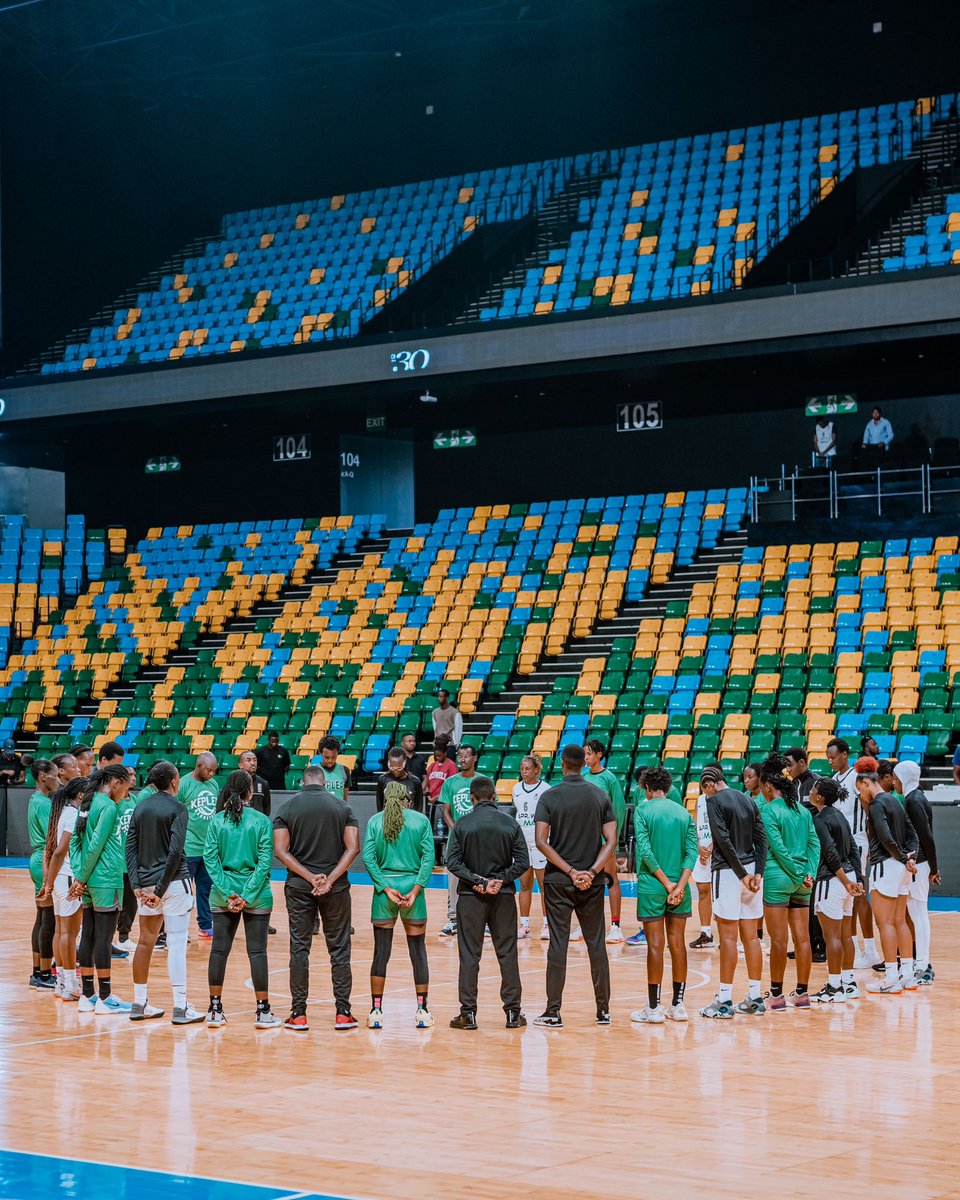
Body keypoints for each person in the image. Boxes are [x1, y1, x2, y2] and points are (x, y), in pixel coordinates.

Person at [533, 743, 617, 1029]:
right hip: (591, 883)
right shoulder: (600, 794)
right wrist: (591, 871)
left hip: (558, 880)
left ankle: (553, 1012)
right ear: (583, 763)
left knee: (558, 943)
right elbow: (612, 840)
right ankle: (603, 1011)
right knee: (596, 944)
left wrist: (569, 871)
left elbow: (541, 841)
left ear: (562, 764)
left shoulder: (549, 796)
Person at [273, 764, 360, 1032]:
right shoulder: (342, 808)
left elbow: (280, 851)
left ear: (302, 782)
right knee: (340, 948)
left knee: (299, 948)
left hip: (300, 887)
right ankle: (343, 1013)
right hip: (336, 888)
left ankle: (298, 1014)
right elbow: (353, 848)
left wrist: (310, 878)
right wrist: (329, 879)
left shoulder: (287, 808)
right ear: (324, 783)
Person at [446, 775, 529, 1029]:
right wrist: (499, 879)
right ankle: (513, 1014)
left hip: (471, 898)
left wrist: (479, 881)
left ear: (472, 798)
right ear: (494, 796)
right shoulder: (510, 823)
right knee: (507, 953)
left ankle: (468, 1014)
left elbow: (453, 863)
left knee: (470, 956)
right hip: (503, 897)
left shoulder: (462, 824)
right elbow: (523, 863)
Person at [126, 760, 203, 1024]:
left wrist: (137, 885)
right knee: (177, 944)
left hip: (145, 885)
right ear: (173, 782)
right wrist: (160, 890)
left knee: (145, 941)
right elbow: (175, 852)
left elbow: (130, 849)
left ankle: (138, 1003)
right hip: (173, 884)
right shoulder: (178, 808)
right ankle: (181, 1007)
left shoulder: (140, 806)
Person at [201, 770, 279, 1028]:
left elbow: (211, 861)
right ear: (250, 792)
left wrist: (228, 893)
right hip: (256, 895)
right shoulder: (261, 821)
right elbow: (265, 863)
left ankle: (214, 1009)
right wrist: (245, 895)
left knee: (219, 951)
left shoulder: (216, 821)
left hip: (223, 895)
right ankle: (263, 1011)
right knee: (257, 952)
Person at [361, 777, 435, 1030]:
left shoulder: (374, 821)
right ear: (408, 799)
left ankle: (376, 1010)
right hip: (413, 886)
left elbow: (368, 859)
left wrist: (385, 887)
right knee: (418, 952)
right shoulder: (421, 821)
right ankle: (422, 1010)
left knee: (381, 952)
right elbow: (428, 859)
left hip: (385, 892)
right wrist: (415, 890)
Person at [697, 766, 767, 1019]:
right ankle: (755, 998)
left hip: (729, 872)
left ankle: (724, 1001)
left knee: (728, 937)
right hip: (752, 874)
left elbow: (723, 840)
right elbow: (762, 838)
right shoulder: (748, 799)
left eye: (705, 790)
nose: (706, 795)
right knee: (751, 938)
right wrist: (757, 873)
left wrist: (741, 874)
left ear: (710, 784)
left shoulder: (713, 800)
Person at [629, 767, 697, 1024]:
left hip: (653, 886)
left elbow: (645, 851)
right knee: (677, 944)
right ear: (668, 789)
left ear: (646, 788)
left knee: (655, 947)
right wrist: (679, 885)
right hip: (681, 887)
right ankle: (678, 1006)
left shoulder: (644, 810)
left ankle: (654, 1009)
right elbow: (692, 852)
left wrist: (667, 884)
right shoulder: (683, 812)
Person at [67, 765, 134, 1013]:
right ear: (115, 782)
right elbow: (96, 845)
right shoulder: (107, 806)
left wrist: (79, 876)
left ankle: (88, 996)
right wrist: (82, 877)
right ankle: (105, 998)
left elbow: (75, 841)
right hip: (105, 879)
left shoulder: (88, 801)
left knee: (89, 936)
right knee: (104, 940)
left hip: (88, 880)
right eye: (126, 786)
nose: (126, 792)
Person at [757, 755, 820, 1010]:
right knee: (802, 938)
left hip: (778, 877)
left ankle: (776, 995)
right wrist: (809, 874)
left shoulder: (768, 810)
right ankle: (803, 994)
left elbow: (777, 847)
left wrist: (794, 873)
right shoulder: (804, 811)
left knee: (779, 941)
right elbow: (814, 845)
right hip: (803, 880)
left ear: (769, 788)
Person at [856, 762, 919, 994]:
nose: (860, 795)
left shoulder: (876, 805)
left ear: (865, 783)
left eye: (860, 790)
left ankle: (891, 976)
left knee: (885, 923)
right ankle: (909, 975)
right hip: (901, 869)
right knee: (900, 921)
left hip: (886, 865)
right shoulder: (895, 800)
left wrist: (903, 857)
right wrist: (910, 857)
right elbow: (912, 833)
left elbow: (884, 836)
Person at [808, 776, 864, 1003]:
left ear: (819, 796)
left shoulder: (820, 819)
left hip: (833, 880)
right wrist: (857, 878)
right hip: (847, 876)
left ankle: (833, 987)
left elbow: (830, 854)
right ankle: (848, 983)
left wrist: (844, 880)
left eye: (812, 789)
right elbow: (853, 849)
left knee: (831, 936)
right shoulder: (839, 815)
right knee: (845, 935)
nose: (810, 791)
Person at [827, 737, 878, 968]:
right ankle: (855, 949)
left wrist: (870, 841)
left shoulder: (856, 779)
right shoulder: (833, 780)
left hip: (857, 841)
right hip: (839, 844)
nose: (830, 761)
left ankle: (871, 950)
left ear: (845, 754)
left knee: (859, 895)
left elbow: (869, 809)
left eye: (833, 756)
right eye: (828, 757)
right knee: (847, 896)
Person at [38, 776, 87, 1001]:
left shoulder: (62, 812)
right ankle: (70, 984)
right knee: (69, 932)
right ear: (79, 795)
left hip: (59, 878)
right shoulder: (73, 815)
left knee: (60, 931)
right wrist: (48, 883)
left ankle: (60, 982)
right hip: (67, 875)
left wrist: (49, 882)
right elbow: (58, 851)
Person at [895, 760, 938, 987]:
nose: (894, 782)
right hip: (921, 864)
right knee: (916, 914)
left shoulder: (913, 801)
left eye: (896, 778)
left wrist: (934, 866)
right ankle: (921, 963)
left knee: (919, 914)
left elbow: (927, 837)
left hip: (918, 865)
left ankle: (923, 965)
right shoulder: (916, 797)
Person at [582, 739, 626, 944]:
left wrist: (613, 841)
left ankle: (615, 926)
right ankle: (586, 926)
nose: (586, 757)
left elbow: (618, 810)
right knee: (586, 881)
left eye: (589, 754)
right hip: (584, 839)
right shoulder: (582, 776)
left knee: (610, 879)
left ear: (599, 755)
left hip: (604, 840)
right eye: (584, 754)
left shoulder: (610, 779)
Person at [438, 743, 480, 938]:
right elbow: (445, 810)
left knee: (480, 876)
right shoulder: (450, 783)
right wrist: (456, 828)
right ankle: (453, 920)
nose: (462, 759)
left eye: (466, 756)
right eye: (460, 756)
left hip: (479, 838)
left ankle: (483, 920)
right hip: (457, 839)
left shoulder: (483, 781)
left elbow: (488, 807)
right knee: (454, 879)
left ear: (475, 758)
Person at [177, 752, 220, 941]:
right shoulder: (183, 784)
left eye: (214, 771)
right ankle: (181, 929)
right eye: (208, 770)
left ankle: (205, 925)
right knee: (185, 892)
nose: (211, 774)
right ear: (198, 765)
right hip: (189, 847)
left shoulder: (213, 785)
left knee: (206, 890)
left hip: (208, 848)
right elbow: (175, 813)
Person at [26, 758, 59, 989]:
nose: (58, 779)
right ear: (43, 777)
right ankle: (44, 975)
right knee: (49, 919)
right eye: (55, 775)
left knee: (41, 917)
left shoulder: (35, 798)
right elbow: (53, 840)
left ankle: (38, 971)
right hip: (44, 860)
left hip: (38, 859)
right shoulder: (45, 804)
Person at [512, 753, 550, 941]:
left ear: (536, 769)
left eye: (528, 769)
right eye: (522, 768)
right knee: (525, 885)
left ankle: (547, 924)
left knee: (544, 886)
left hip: (540, 843)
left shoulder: (546, 789)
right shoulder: (516, 788)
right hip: (522, 843)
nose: (524, 772)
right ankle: (524, 924)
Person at [688, 782, 715, 951]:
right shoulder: (700, 800)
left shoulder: (724, 800)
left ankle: (730, 934)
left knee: (722, 894)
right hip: (702, 851)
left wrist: (712, 847)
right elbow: (693, 825)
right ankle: (706, 933)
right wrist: (698, 846)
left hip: (719, 851)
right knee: (703, 890)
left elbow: (726, 828)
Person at [375, 746, 425, 813]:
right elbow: (380, 806)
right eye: (392, 767)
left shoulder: (415, 781)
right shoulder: (382, 779)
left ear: (404, 762)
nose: (395, 770)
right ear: (388, 763)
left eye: (399, 767)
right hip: (388, 820)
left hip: (409, 820)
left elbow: (419, 808)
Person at [317, 736, 352, 804]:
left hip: (338, 812)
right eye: (327, 757)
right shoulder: (313, 771)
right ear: (320, 753)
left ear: (337, 753)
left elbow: (345, 800)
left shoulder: (344, 770)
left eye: (334, 757)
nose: (330, 761)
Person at [237, 750, 272, 815]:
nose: (253, 763)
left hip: (257, 823)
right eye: (248, 760)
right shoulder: (233, 782)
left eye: (255, 760)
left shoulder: (263, 783)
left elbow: (266, 810)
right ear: (240, 765)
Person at [425, 736, 457, 805]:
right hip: (431, 800)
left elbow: (452, 787)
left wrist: (437, 798)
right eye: (436, 756)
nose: (437, 758)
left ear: (445, 753)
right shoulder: (432, 766)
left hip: (444, 801)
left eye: (439, 756)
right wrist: (428, 795)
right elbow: (426, 783)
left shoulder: (452, 765)